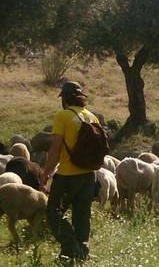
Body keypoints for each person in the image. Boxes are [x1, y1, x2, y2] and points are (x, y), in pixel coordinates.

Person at [40, 81, 100, 262]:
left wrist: (45, 175)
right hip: (89, 175)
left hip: (67, 175)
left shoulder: (63, 116)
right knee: (82, 216)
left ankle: (70, 247)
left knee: (53, 212)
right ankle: (81, 253)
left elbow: (55, 150)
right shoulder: (92, 117)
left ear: (64, 98)